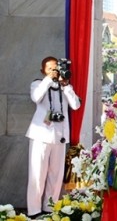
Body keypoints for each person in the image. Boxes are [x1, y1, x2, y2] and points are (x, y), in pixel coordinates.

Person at [25, 56, 81, 218]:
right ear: (43, 71)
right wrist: (48, 80)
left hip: (59, 137)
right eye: (50, 69)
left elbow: (75, 105)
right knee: (37, 174)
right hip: (41, 136)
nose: (54, 71)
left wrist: (66, 86)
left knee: (55, 176)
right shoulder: (38, 83)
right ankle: (34, 211)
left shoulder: (63, 86)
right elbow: (36, 98)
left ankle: (50, 208)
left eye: (56, 68)